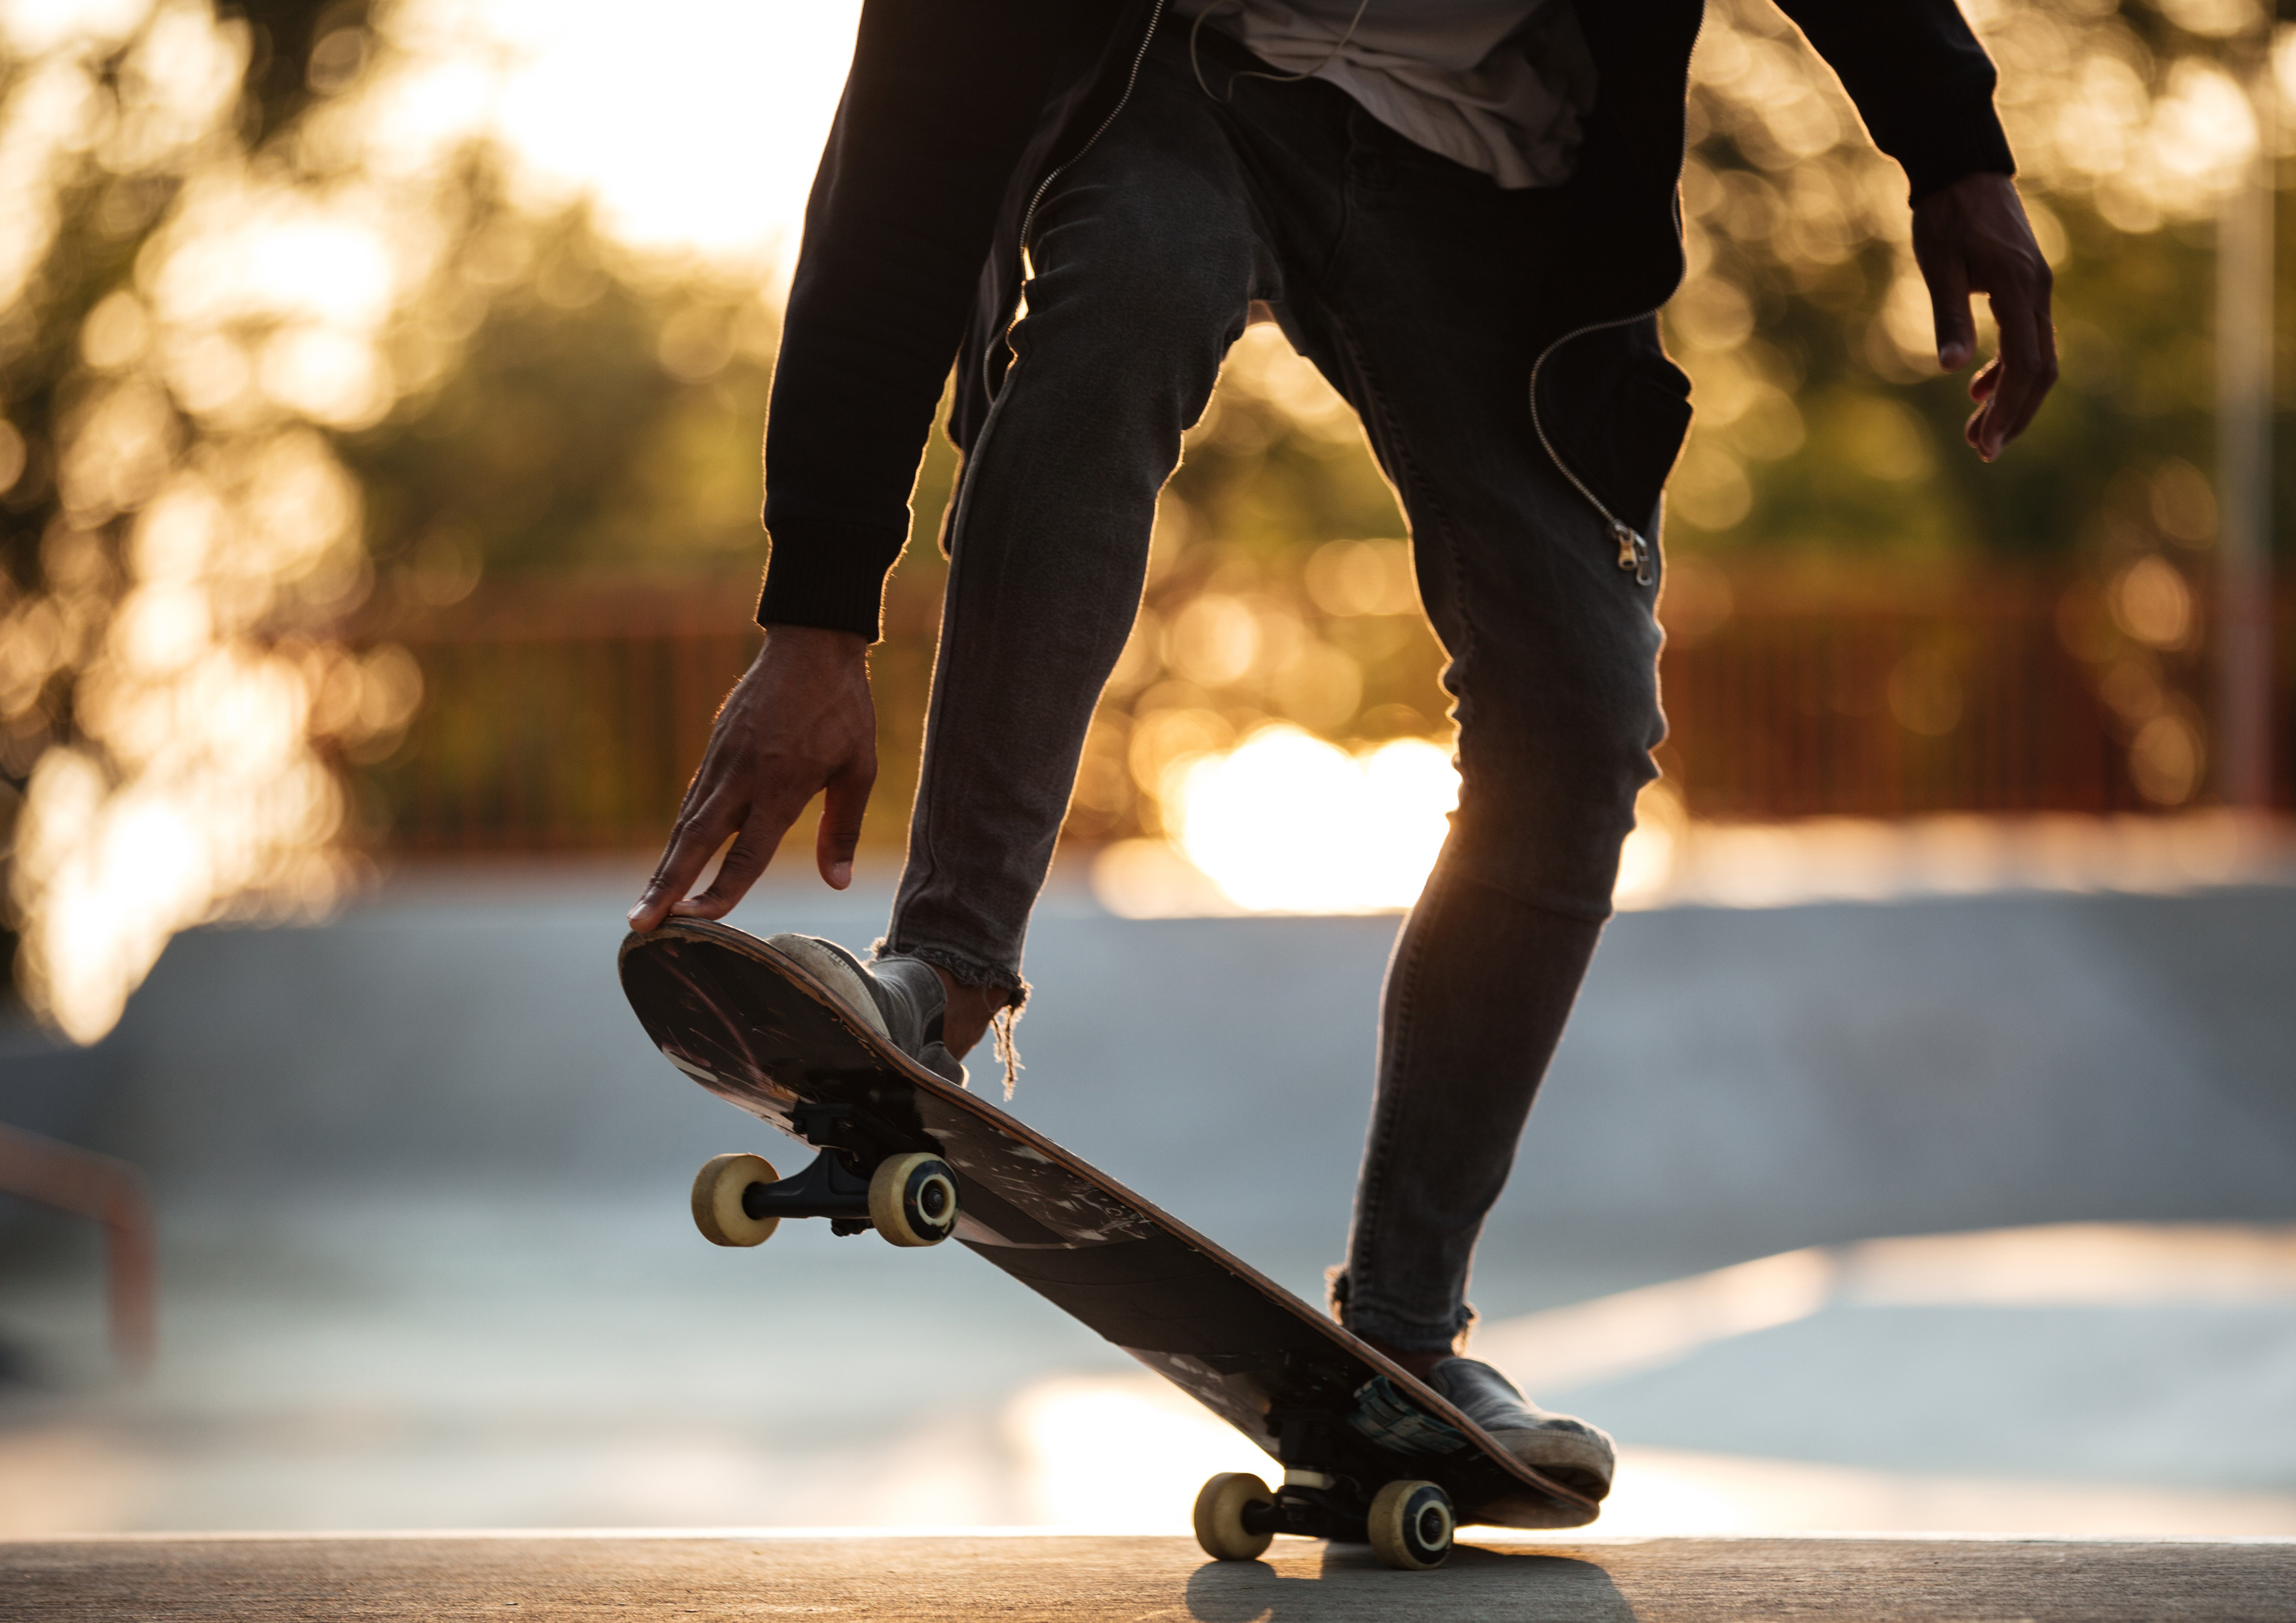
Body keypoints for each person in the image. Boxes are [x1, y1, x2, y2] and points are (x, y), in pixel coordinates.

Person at [628, 0, 2055, 1504]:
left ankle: (1405, 1327)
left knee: (1578, 711)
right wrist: (814, 619)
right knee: (1122, 298)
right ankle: (945, 969)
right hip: (1190, 86)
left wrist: (1952, 150)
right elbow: (909, 139)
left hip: (1502, 172)